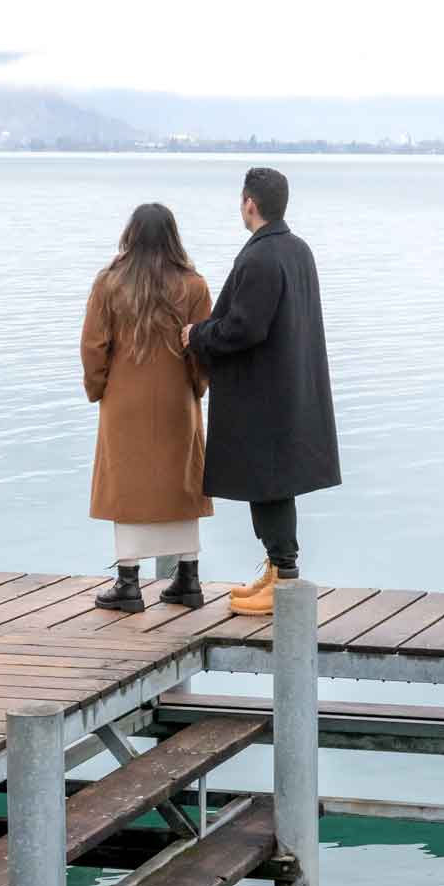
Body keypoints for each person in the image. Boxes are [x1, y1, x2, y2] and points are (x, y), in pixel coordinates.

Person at [182, 167, 341, 615]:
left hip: (265, 393)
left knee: (269, 483)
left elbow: (244, 327)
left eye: (241, 200)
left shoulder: (261, 257)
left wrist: (197, 336)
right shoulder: (298, 250)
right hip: (290, 386)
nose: (241, 206)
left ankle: (285, 577)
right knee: (271, 484)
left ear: (250, 203)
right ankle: (276, 569)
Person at [81, 203, 214, 612]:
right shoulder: (193, 285)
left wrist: (99, 388)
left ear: (130, 234)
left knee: (128, 486)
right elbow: (203, 348)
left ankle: (128, 583)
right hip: (177, 400)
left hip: (124, 401)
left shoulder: (110, 282)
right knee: (182, 484)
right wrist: (196, 387)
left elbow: (93, 347)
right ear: (173, 236)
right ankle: (188, 579)